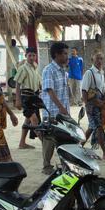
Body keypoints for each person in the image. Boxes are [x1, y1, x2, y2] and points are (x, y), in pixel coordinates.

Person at [81, 49, 105, 161]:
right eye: (97, 58)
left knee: (92, 127)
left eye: (101, 58)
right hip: (92, 105)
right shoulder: (89, 73)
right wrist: (88, 106)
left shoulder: (101, 73)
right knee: (99, 128)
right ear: (92, 59)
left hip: (100, 104)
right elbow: (84, 91)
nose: (99, 61)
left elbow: (103, 89)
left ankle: (78, 146)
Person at [41, 42, 70, 175]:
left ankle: (65, 164)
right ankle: (46, 166)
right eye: (64, 53)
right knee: (49, 140)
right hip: (52, 112)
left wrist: (65, 109)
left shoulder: (64, 70)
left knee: (64, 138)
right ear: (57, 54)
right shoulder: (49, 70)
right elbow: (50, 91)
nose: (66, 56)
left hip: (63, 111)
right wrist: (61, 107)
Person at [14, 47, 42, 149]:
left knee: (28, 120)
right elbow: (17, 83)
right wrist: (18, 100)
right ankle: (45, 142)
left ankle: (22, 143)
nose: (31, 57)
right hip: (26, 97)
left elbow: (38, 82)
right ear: (26, 56)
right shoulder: (23, 68)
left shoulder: (35, 66)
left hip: (34, 97)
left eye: (33, 55)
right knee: (34, 120)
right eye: (29, 55)